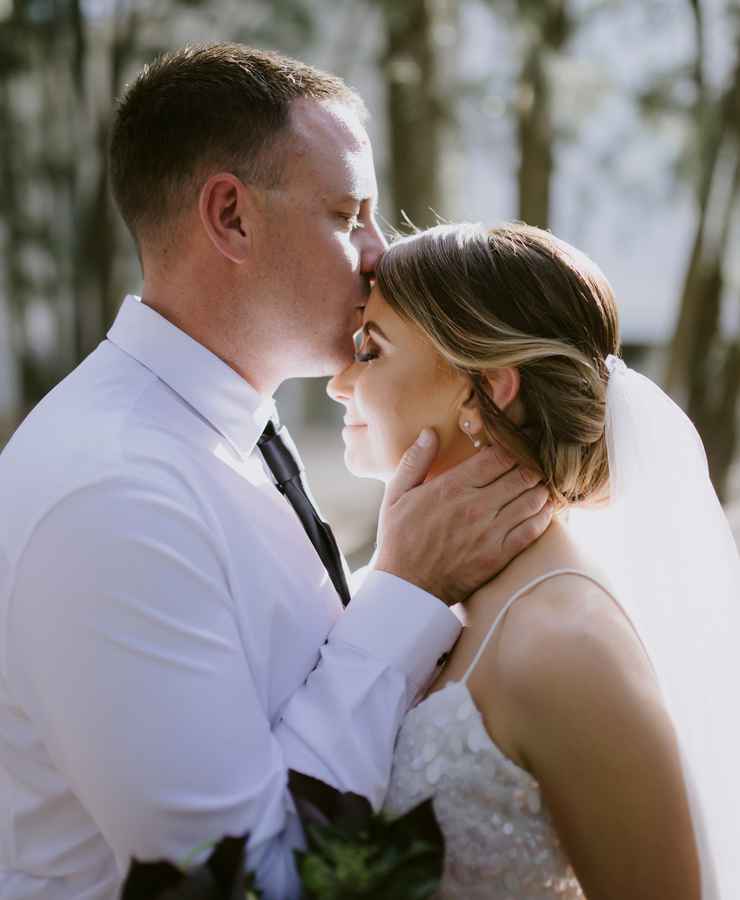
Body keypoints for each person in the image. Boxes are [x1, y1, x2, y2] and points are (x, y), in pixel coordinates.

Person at [0, 45, 554, 900]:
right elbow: (248, 884)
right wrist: (406, 586)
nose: (380, 253)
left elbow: (276, 669)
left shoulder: (228, 426)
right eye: (350, 213)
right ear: (230, 216)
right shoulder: (112, 499)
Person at [328, 221, 740, 899]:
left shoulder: (567, 642)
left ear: (484, 387)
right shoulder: (427, 586)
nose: (340, 382)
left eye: (370, 351)